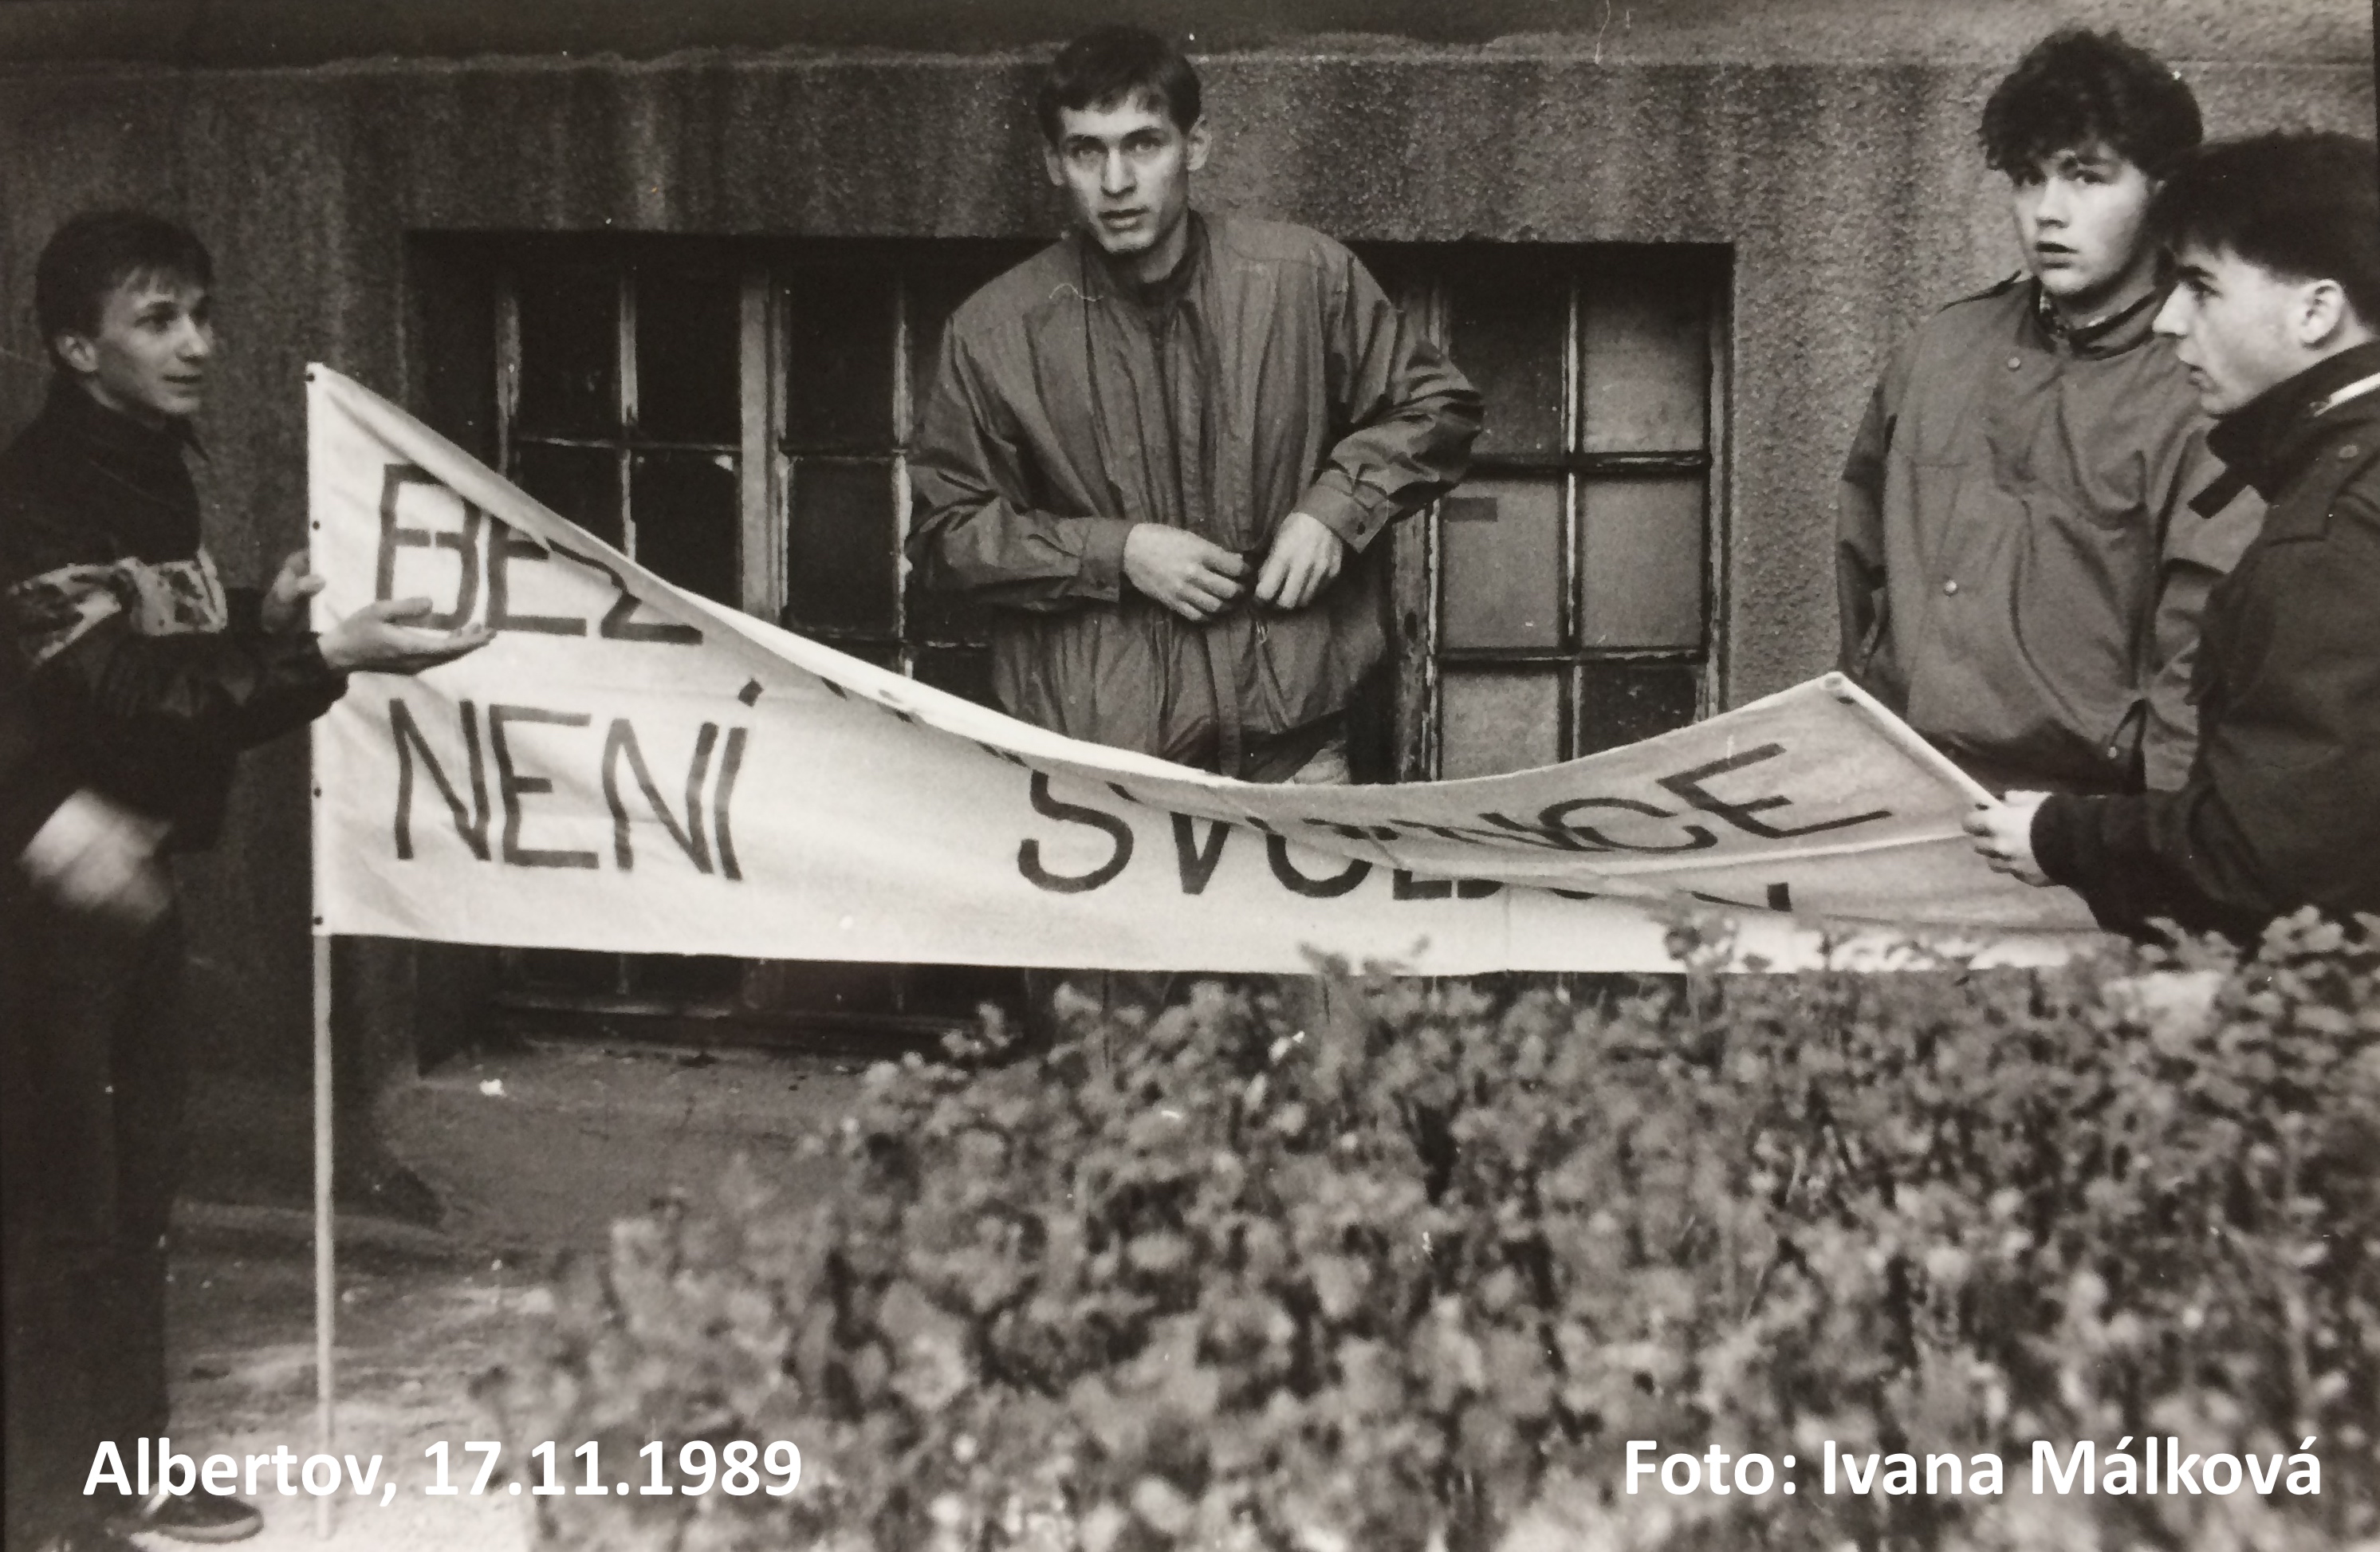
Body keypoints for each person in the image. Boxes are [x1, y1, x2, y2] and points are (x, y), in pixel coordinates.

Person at [0, 210, 490, 1552]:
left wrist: (260, 623)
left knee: (132, 1201)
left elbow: (147, 652)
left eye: (204, 314)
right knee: (61, 1215)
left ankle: (121, 1474)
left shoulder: (147, 467)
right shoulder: (40, 491)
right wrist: (320, 654)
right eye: (159, 320)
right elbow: (112, 690)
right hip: (39, 900)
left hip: (123, 887)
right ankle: (47, 1513)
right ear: (76, 347)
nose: (199, 345)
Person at [907, 24, 1480, 786]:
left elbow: (1435, 405)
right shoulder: (995, 331)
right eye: (1086, 151)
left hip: (1295, 752)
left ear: (1195, 145)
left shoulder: (1303, 278)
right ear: (1053, 163)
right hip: (1097, 770)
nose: (1116, 181)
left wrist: (1334, 510)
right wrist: (1117, 554)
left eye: (1143, 144)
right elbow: (946, 534)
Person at [1968, 132, 2380, 939]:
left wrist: (2061, 835)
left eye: (2200, 286)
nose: (2169, 319)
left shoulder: (2330, 530)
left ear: (2316, 310)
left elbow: (2266, 858)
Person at [1836, 28, 2260, 798]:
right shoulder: (1941, 350)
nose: (2048, 213)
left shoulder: (2201, 384)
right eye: (2028, 178)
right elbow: (1862, 571)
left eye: (2085, 176)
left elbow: (2201, 651)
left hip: (2086, 817)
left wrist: (2154, 839)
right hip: (1906, 787)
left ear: (2161, 190)